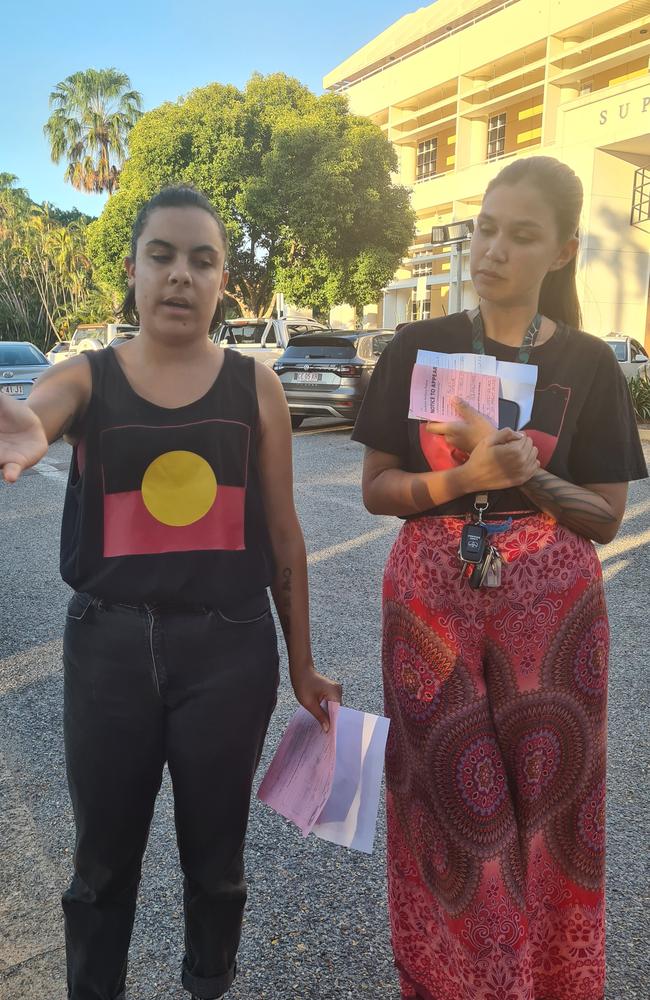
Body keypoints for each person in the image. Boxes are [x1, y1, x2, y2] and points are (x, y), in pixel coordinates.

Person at [0, 185, 341, 1000]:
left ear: (224, 279)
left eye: (201, 260)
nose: (180, 276)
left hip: (230, 651)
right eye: (162, 256)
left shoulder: (255, 387)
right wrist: (29, 423)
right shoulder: (85, 377)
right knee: (100, 866)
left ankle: (207, 984)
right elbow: (43, 409)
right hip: (109, 648)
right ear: (132, 270)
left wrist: (302, 663)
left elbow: (285, 535)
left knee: (217, 863)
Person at [352, 156, 647, 1000]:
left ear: (561, 251)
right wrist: (464, 478)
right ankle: (458, 983)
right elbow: (377, 490)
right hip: (430, 609)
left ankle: (549, 983)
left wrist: (525, 480)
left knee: (556, 813)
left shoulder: (589, 363)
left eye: (521, 236)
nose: (493, 250)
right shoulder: (418, 345)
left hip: (555, 617)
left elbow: (605, 516)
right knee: (450, 808)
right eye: (485, 228)